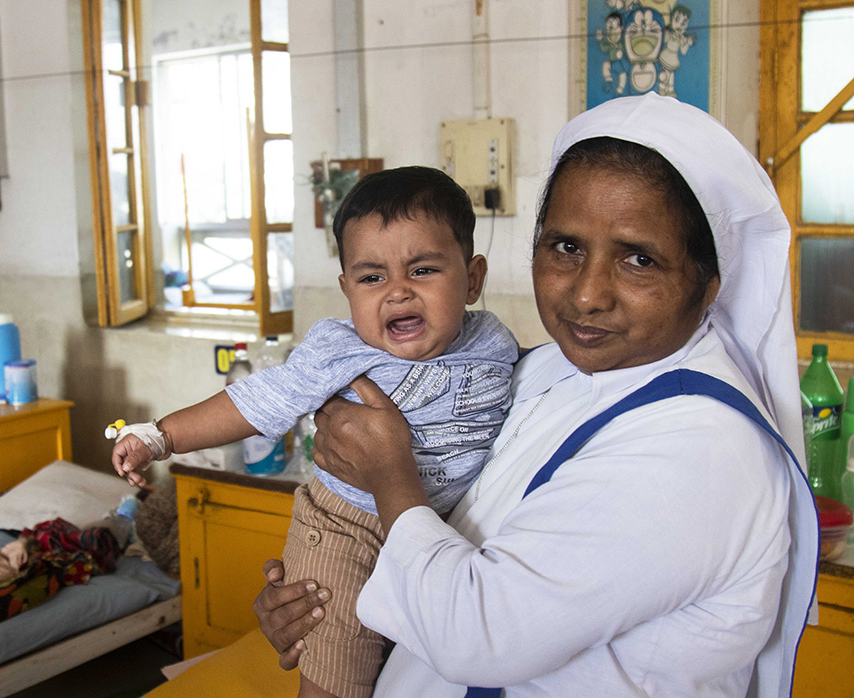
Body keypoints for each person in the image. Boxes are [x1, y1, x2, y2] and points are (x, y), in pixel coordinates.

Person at [254, 93, 819, 698]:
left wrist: (387, 471)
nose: (585, 295)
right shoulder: (551, 371)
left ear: (707, 285)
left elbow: (476, 634)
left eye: (638, 259)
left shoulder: (700, 449)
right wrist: (327, 597)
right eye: (566, 247)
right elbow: (442, 536)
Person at [110, 166, 519, 698]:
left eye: (422, 271)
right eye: (372, 278)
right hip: (346, 527)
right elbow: (256, 401)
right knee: (337, 663)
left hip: (441, 528)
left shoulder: (497, 345)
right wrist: (161, 435)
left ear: (472, 279)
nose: (397, 293)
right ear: (347, 289)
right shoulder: (341, 352)